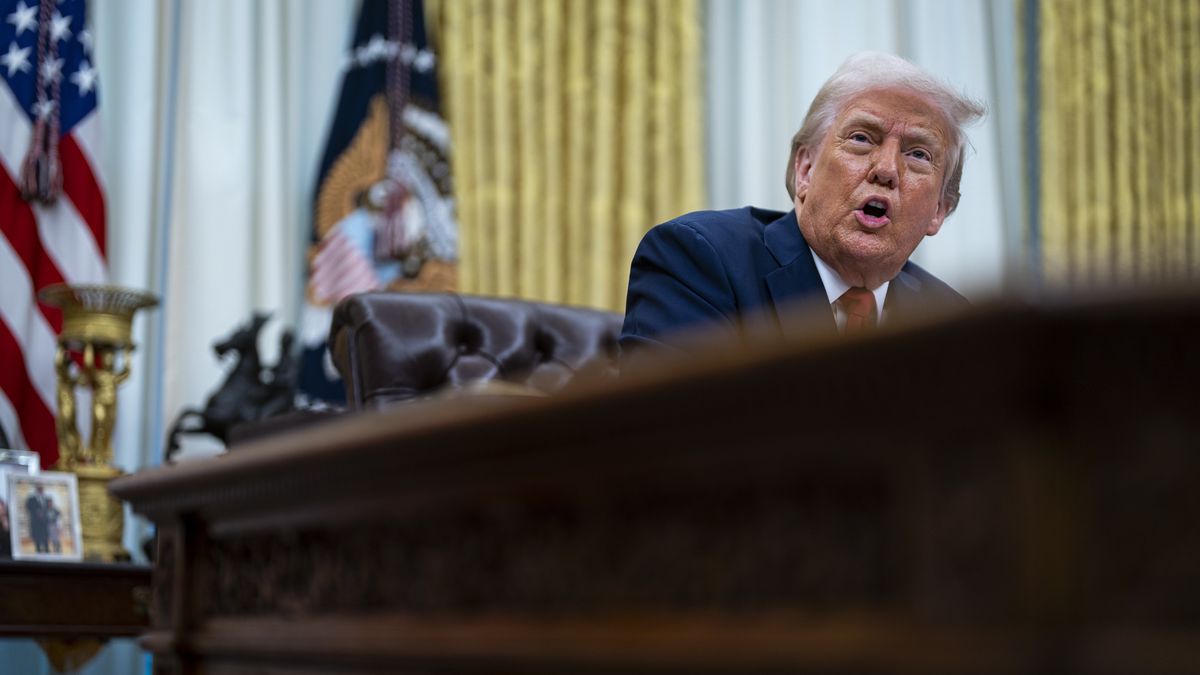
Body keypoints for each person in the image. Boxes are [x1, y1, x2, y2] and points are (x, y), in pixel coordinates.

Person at [620, 52, 984, 355]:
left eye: (918, 154)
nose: (887, 169)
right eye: (861, 138)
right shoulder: (698, 260)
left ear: (939, 210)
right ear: (805, 169)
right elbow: (670, 434)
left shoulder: (951, 322)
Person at [25, 485, 49, 553]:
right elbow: (28, 507)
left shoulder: (46, 499)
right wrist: (36, 512)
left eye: (42, 489)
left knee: (45, 538)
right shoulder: (31, 499)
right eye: (39, 489)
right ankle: (38, 550)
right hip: (36, 522)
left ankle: (47, 550)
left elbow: (49, 509)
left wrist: (44, 514)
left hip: (44, 523)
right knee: (37, 538)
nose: (41, 491)